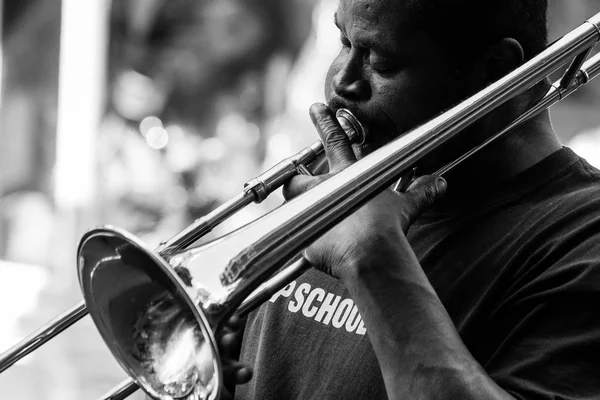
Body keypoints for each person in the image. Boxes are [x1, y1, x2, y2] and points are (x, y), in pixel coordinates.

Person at [220, 0, 600, 399]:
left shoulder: (582, 240)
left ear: (498, 68)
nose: (341, 82)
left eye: (380, 61)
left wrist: (370, 259)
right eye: (344, 42)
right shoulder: (336, 187)